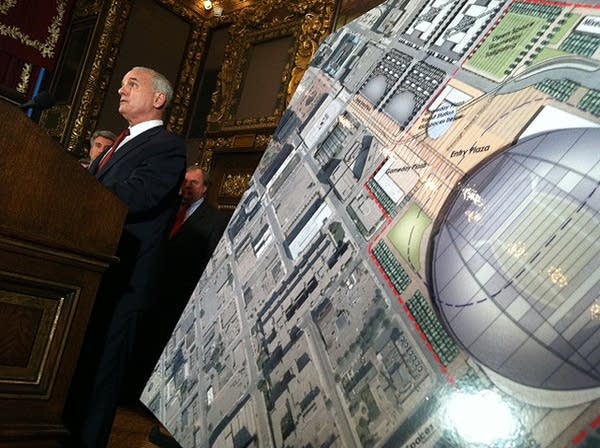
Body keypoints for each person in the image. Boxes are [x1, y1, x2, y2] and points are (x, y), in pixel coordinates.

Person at [66, 66, 186, 448]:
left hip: (125, 281)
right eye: (121, 84)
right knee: (77, 369)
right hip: (95, 271)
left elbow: (138, 195)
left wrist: (80, 188)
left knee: (102, 375)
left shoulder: (167, 146)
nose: (121, 89)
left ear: (158, 99)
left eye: (132, 84)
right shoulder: (121, 141)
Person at [132, 166, 228, 395]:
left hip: (178, 300)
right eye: (184, 181)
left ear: (204, 189)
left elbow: (211, 263)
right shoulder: (166, 211)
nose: (187, 186)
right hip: (148, 292)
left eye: (194, 183)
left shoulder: (215, 219)